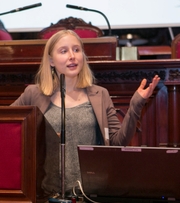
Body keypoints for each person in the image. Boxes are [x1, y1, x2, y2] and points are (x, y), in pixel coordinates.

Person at [11, 30, 160, 196]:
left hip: (90, 193)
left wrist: (136, 104)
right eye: (64, 51)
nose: (72, 56)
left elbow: (118, 142)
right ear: (51, 60)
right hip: (46, 194)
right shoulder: (33, 94)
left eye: (76, 50)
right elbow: (6, 126)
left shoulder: (100, 94)